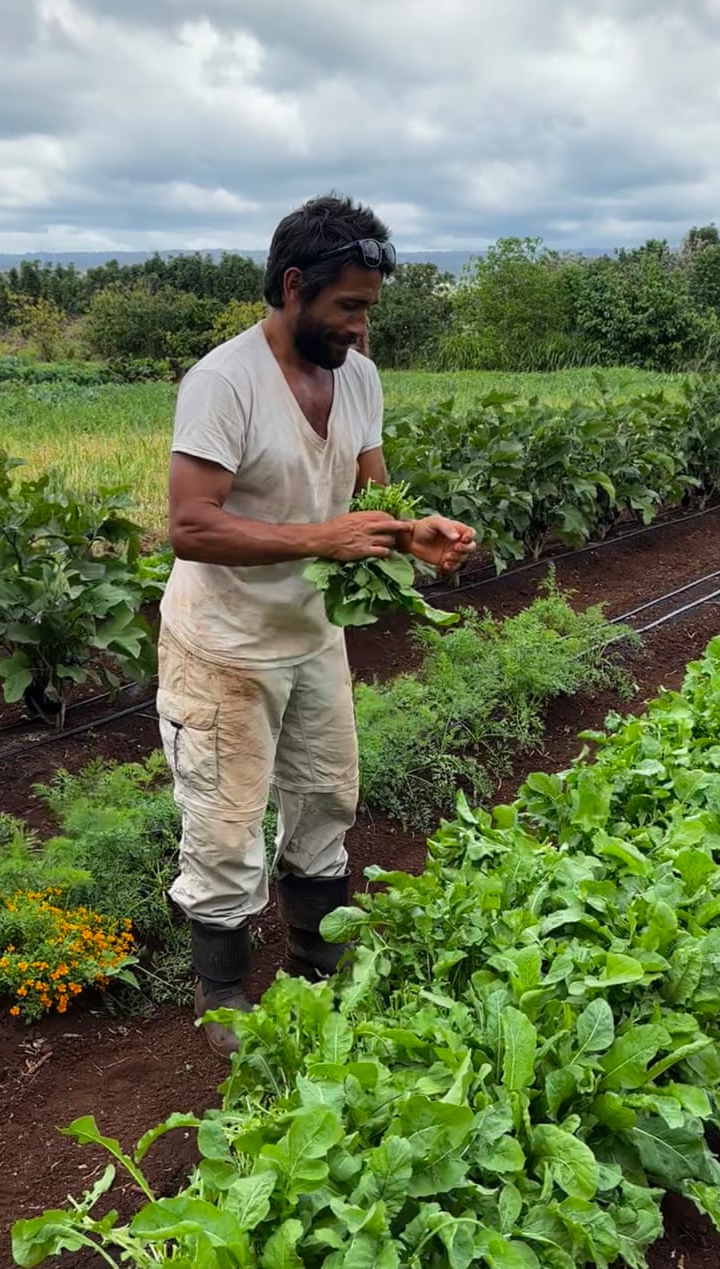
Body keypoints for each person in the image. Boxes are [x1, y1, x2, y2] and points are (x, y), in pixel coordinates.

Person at [158, 194, 475, 1060]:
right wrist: (317, 538)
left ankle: (317, 958)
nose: (362, 327)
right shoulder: (224, 382)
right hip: (223, 643)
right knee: (225, 823)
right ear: (294, 286)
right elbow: (189, 524)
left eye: (369, 308)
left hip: (312, 634)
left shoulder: (358, 376)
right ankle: (222, 992)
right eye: (349, 307)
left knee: (327, 795)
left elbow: (369, 496)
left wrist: (414, 532)